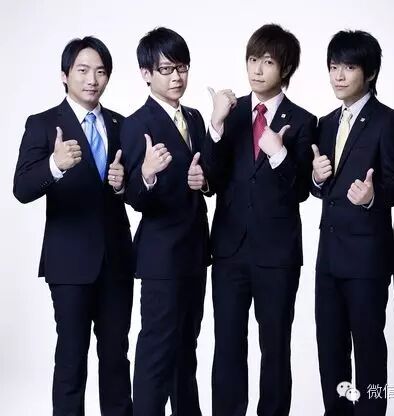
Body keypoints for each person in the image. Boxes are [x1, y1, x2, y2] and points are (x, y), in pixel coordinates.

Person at [13, 36, 134, 416]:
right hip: (69, 263)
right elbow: (21, 188)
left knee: (116, 358)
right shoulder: (43, 124)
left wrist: (125, 183)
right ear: (65, 75)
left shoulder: (121, 124)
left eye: (100, 71)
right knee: (71, 357)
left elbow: (132, 190)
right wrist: (54, 165)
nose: (92, 80)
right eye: (82, 70)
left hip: (116, 261)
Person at [204, 23, 316, 416]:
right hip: (229, 250)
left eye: (267, 62)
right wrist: (215, 126)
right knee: (227, 345)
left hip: (277, 254)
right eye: (253, 59)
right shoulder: (231, 114)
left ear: (286, 69)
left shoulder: (303, 120)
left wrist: (278, 154)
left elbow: (301, 190)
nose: (256, 69)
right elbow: (211, 180)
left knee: (275, 348)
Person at [311, 30, 394, 416]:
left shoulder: (389, 122)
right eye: (333, 66)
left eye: (348, 67)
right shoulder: (326, 122)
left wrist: (372, 197)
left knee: (368, 350)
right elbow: (321, 187)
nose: (338, 75)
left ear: (369, 73)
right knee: (330, 350)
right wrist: (316, 177)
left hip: (368, 259)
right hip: (328, 260)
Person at [120, 27, 209, 416]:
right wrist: (147, 174)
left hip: (195, 252)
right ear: (146, 74)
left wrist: (205, 181)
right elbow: (133, 197)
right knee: (157, 351)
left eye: (182, 68)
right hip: (161, 256)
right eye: (167, 69)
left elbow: (206, 175)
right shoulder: (135, 123)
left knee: (187, 348)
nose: (177, 77)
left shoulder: (195, 118)